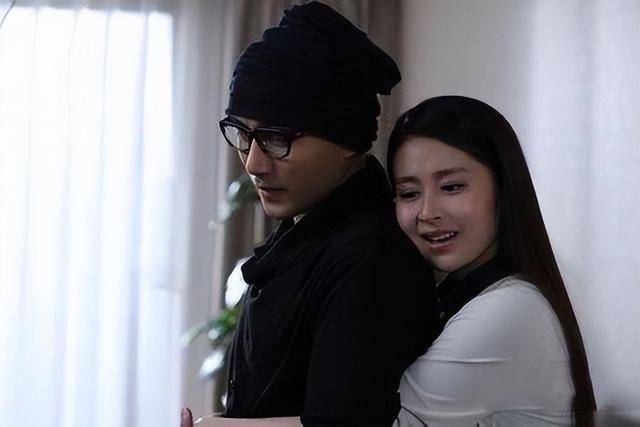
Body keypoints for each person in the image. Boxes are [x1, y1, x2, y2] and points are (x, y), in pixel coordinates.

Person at [180, 2, 440, 426]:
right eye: (243, 134)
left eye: (277, 138)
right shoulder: (303, 228)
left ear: (348, 141)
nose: (253, 163)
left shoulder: (370, 257)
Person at [387, 96, 597, 427]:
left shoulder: (509, 308)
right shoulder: (462, 293)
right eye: (409, 193)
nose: (427, 213)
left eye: (452, 187)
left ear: (503, 189)